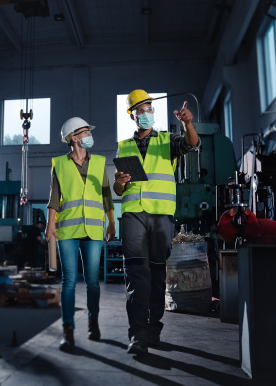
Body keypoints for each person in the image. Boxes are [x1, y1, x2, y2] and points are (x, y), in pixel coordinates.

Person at [114, 90, 199, 355]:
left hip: (160, 214)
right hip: (133, 214)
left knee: (157, 272)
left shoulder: (167, 140)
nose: (146, 112)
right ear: (133, 115)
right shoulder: (124, 145)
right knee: (136, 273)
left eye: (149, 108)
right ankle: (137, 334)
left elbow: (191, 144)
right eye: (140, 109)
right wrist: (119, 183)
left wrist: (188, 124)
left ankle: (153, 328)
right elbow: (119, 190)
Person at [45, 117, 116, 352]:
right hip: (67, 229)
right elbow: (54, 197)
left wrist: (112, 221)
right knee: (69, 281)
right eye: (85, 132)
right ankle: (68, 330)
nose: (89, 136)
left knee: (93, 282)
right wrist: (49, 224)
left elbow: (107, 194)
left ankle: (93, 321)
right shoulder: (60, 164)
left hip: (94, 229)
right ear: (74, 138)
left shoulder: (99, 163)